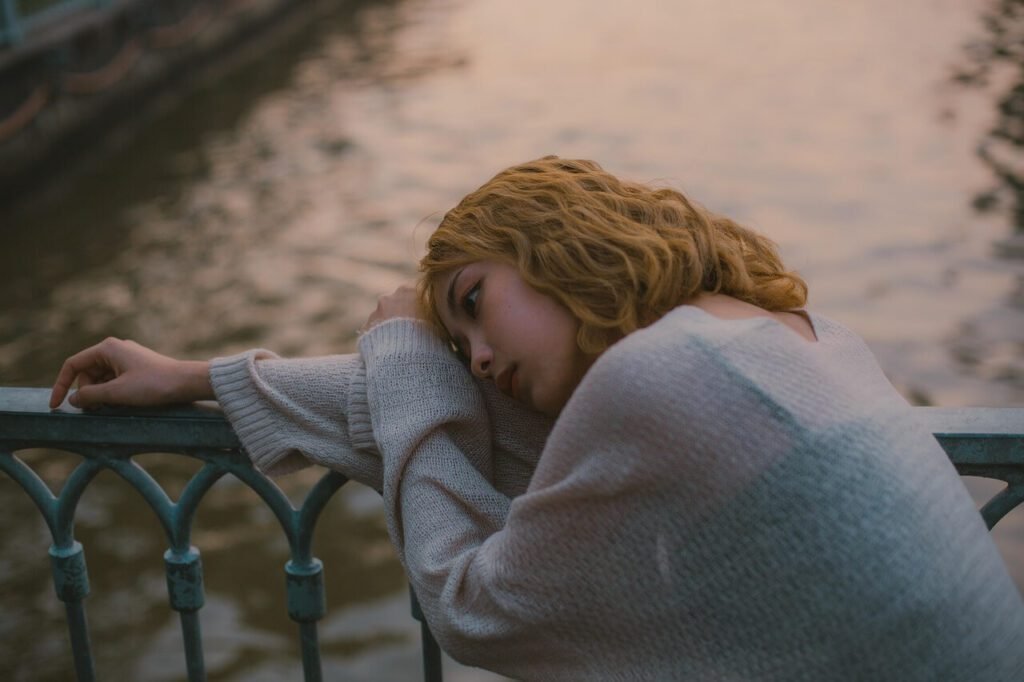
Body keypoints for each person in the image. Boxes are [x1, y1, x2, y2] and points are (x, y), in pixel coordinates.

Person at [50, 156, 1024, 680]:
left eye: (474, 302)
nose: (476, 356)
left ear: (558, 243)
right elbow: (479, 418)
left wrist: (401, 350)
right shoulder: (781, 335)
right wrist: (197, 377)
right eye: (457, 340)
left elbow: (468, 605)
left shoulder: (658, 377)